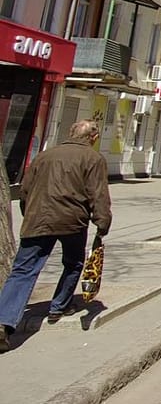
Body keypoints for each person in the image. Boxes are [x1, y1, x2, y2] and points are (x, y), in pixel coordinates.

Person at [0, 120, 112, 353]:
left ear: (70, 133)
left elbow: (25, 189)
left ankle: (4, 322)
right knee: (73, 263)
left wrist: (28, 212)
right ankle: (59, 306)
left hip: (37, 220)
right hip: (72, 221)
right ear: (92, 137)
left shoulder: (45, 155)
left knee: (23, 270)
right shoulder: (93, 159)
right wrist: (102, 223)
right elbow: (98, 194)